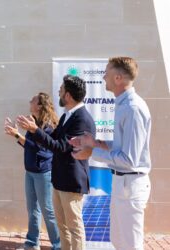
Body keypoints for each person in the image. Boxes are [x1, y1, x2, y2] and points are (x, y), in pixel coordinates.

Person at [69, 57, 151, 250]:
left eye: (106, 72)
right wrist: (96, 142)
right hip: (122, 184)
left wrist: (91, 152)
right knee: (119, 241)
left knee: (130, 245)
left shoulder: (132, 108)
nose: (103, 76)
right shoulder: (124, 104)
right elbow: (124, 146)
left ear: (118, 77)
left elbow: (129, 159)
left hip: (130, 184)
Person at [16, 76, 95, 250]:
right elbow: (51, 139)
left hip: (72, 181)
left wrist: (35, 130)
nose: (58, 92)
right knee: (63, 227)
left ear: (67, 95)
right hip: (59, 179)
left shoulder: (81, 119)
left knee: (74, 228)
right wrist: (32, 130)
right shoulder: (68, 115)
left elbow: (61, 147)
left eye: (61, 89)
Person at [4, 92, 61, 250]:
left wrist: (18, 135)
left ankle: (58, 245)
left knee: (47, 210)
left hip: (43, 174)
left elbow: (41, 151)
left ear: (40, 106)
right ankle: (32, 243)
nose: (30, 102)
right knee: (32, 210)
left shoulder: (48, 127)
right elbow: (29, 145)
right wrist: (16, 135)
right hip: (30, 172)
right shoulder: (33, 122)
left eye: (33, 100)